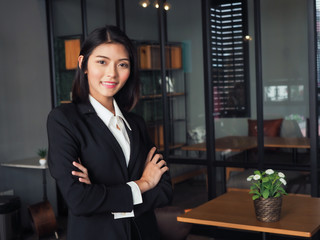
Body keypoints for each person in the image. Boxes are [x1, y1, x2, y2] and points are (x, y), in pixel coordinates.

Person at [47, 25, 173, 240]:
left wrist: (101, 194)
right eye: (102, 62)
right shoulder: (64, 120)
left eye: (122, 64)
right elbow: (79, 200)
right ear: (83, 64)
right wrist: (143, 184)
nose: (112, 73)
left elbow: (164, 191)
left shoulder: (136, 123)